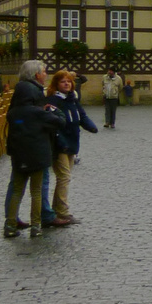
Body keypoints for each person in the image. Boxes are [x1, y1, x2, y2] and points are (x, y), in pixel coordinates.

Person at [4, 68, 61, 238]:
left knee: (16, 190)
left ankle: (10, 224)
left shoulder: (13, 113)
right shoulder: (38, 112)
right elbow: (59, 122)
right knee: (36, 191)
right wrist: (54, 110)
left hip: (18, 154)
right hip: (38, 155)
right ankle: (36, 226)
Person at [45, 69, 97, 227]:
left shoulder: (72, 99)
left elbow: (82, 116)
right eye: (63, 81)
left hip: (73, 143)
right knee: (64, 177)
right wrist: (61, 142)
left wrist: (92, 127)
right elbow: (54, 125)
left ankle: (56, 209)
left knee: (64, 178)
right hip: (60, 145)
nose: (66, 84)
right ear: (56, 84)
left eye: (68, 81)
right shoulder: (53, 101)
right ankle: (63, 212)